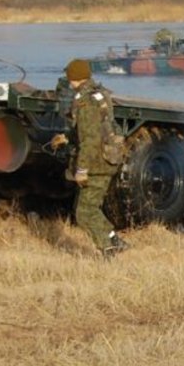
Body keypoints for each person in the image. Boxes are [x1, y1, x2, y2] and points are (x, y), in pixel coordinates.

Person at [51, 59, 129, 258]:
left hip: (96, 162)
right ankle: (113, 239)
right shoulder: (100, 94)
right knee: (90, 207)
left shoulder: (85, 102)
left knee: (84, 213)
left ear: (74, 78)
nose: (68, 82)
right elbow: (99, 129)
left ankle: (108, 250)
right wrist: (68, 137)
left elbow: (90, 140)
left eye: (70, 78)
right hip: (107, 158)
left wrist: (82, 170)